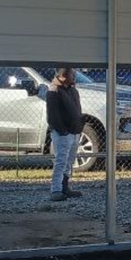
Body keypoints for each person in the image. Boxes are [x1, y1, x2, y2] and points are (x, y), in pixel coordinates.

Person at [46, 67, 84, 202]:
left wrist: (79, 125)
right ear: (63, 76)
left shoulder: (72, 90)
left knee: (69, 161)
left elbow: (77, 109)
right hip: (63, 133)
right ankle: (55, 190)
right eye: (72, 75)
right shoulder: (54, 91)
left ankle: (64, 186)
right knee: (61, 161)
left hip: (74, 131)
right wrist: (62, 131)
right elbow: (53, 116)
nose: (74, 77)